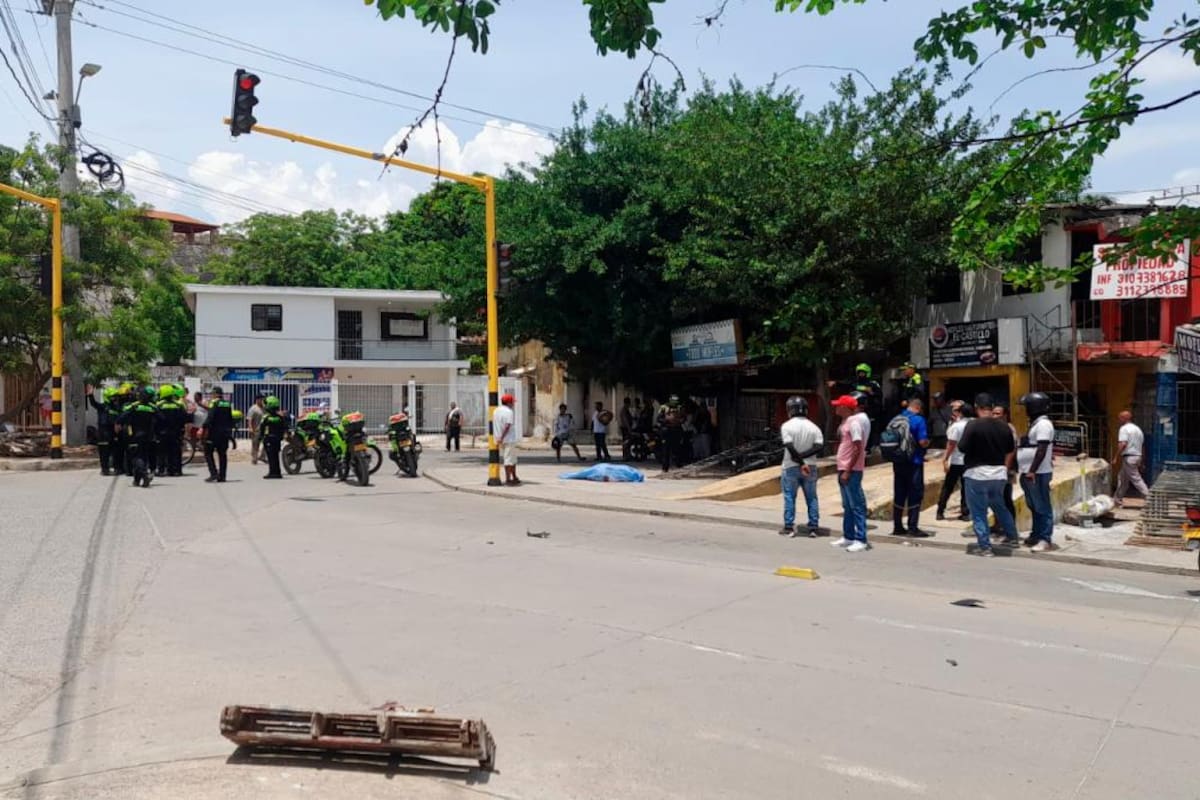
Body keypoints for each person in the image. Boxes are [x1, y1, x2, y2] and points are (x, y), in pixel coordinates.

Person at [957, 393, 1018, 556]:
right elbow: (1009, 448)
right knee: (1000, 506)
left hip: (977, 474)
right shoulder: (1004, 426)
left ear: (977, 408)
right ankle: (1013, 537)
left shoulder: (972, 425)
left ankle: (985, 547)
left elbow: (962, 448)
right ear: (992, 408)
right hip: (998, 474)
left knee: (978, 512)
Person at [779, 395, 824, 538]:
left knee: (789, 497)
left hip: (790, 466)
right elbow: (819, 446)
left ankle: (788, 527)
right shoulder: (814, 427)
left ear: (790, 410)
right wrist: (804, 459)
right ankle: (813, 527)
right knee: (812, 497)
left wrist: (799, 459)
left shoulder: (786, 426)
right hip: (811, 467)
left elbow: (789, 446)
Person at [831, 394, 870, 552]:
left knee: (856, 505)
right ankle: (848, 536)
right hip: (844, 467)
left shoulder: (854, 423)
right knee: (847, 505)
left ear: (845, 408)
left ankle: (861, 538)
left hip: (851, 469)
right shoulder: (847, 422)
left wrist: (847, 470)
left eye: (838, 405)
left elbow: (857, 448)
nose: (836, 408)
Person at [1018, 392, 1056, 551]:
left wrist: (1032, 470)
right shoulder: (1036, 424)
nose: (1025, 409)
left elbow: (1041, 449)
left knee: (1042, 506)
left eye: (1027, 406)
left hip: (1037, 473)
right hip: (1028, 471)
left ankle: (1045, 538)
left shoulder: (1044, 425)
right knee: (1033, 505)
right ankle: (1036, 534)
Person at [890, 397, 931, 537]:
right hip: (914, 462)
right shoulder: (919, 420)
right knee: (915, 494)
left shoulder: (896, 419)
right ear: (918, 408)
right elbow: (922, 441)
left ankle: (897, 526)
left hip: (898, 462)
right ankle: (912, 527)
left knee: (899, 493)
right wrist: (927, 444)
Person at [116, 386, 159, 488]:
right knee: (143, 457)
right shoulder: (152, 408)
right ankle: (137, 480)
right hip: (148, 436)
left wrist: (118, 423)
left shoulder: (134, 407)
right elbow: (162, 418)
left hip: (135, 435)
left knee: (136, 458)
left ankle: (144, 475)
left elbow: (122, 417)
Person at [830, 364, 882, 448]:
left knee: (869, 428)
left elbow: (879, 395)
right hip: (854, 408)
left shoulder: (873, 384)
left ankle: (869, 446)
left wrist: (871, 393)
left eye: (863, 373)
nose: (861, 375)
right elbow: (845, 384)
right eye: (859, 373)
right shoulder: (855, 382)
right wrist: (835, 383)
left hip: (869, 409)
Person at [937, 402, 971, 521]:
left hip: (956, 460)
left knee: (948, 487)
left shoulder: (957, 426)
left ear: (960, 412)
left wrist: (945, 458)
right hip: (969, 461)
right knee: (966, 488)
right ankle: (965, 512)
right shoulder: (973, 424)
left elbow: (951, 443)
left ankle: (940, 511)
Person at [1113, 409, 1150, 507]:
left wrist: (1116, 456)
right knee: (1122, 478)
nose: (1118, 420)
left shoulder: (1124, 429)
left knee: (1136, 479)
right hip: (1137, 456)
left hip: (1129, 458)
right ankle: (1117, 500)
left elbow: (1123, 444)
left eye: (1119, 418)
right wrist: (1142, 460)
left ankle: (1150, 497)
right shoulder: (1138, 429)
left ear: (1124, 418)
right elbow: (1142, 446)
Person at [992, 405, 1019, 530]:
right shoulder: (995, 428)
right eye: (994, 413)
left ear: (1005, 415)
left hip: (1006, 468)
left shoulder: (1009, 429)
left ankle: (1010, 526)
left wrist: (1006, 468)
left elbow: (1012, 450)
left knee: (1006, 498)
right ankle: (997, 524)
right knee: (995, 498)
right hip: (995, 467)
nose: (995, 416)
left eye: (998, 413)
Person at [202, 386, 234, 483]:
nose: (211, 395)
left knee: (208, 452)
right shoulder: (227, 404)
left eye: (212, 394)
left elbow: (211, 417)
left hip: (214, 433)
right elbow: (230, 419)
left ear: (216, 394)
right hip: (225, 433)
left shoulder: (214, 403)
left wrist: (204, 427)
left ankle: (213, 473)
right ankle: (222, 476)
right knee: (222, 454)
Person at [155, 385, 188, 477]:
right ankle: (176, 470)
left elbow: (155, 420)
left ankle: (161, 470)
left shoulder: (159, 405)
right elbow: (185, 418)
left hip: (162, 433)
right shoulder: (179, 405)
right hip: (176, 432)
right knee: (176, 451)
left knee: (162, 452)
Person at [88, 386, 117, 475]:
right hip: (103, 432)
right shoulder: (102, 407)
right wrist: (90, 394)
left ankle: (116, 468)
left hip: (113, 432)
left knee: (114, 451)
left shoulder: (116, 408)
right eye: (113, 397)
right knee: (104, 452)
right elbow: (94, 403)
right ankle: (105, 469)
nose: (115, 399)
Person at [259, 395, 288, 479]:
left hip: (269, 439)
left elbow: (262, 428)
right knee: (276, 456)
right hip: (277, 439)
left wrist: (261, 437)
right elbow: (284, 427)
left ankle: (272, 473)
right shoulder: (280, 417)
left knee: (271, 457)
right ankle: (277, 472)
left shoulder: (266, 417)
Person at [494, 393, 519, 485]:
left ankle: (514, 477)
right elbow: (507, 426)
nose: (513, 404)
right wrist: (502, 437)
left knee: (512, 459)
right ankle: (508, 479)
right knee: (509, 460)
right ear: (508, 402)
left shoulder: (496, 410)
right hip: (508, 439)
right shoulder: (509, 412)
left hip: (500, 439)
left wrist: (499, 438)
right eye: (512, 402)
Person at [658, 395, 684, 472]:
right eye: (673, 401)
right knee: (666, 449)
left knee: (677, 449)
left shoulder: (679, 407)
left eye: (676, 401)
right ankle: (665, 468)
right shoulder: (663, 407)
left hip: (676, 430)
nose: (674, 403)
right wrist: (667, 420)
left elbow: (683, 417)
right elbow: (659, 418)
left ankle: (679, 465)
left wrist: (679, 420)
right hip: (666, 430)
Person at [247, 394, 266, 465]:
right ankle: (254, 459)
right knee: (255, 445)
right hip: (256, 430)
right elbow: (249, 419)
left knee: (266, 443)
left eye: (262, 399)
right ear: (257, 400)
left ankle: (262, 457)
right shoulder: (253, 408)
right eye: (261, 399)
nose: (262, 401)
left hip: (264, 429)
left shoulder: (264, 408)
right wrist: (250, 428)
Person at [618, 397, 635, 461]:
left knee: (628, 442)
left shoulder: (626, 409)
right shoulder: (624, 410)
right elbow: (625, 420)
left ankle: (628, 455)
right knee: (626, 442)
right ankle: (626, 456)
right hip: (625, 428)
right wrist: (629, 428)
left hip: (626, 427)